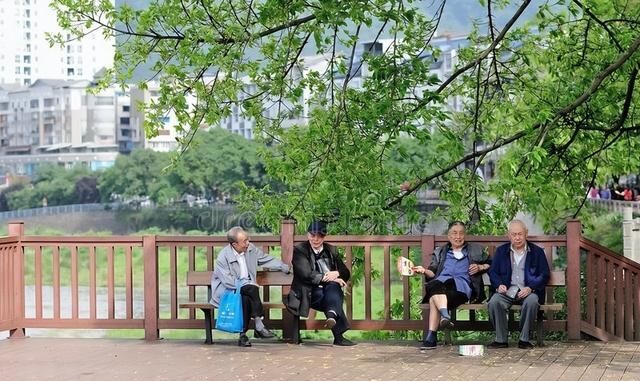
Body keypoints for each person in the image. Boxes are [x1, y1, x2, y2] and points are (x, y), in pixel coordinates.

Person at [412, 221, 490, 350]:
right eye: (454, 233)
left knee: (433, 297)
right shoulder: (441, 252)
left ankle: (431, 337)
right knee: (434, 285)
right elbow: (432, 272)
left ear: (465, 235)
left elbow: (491, 263)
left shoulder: (475, 250)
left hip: (461, 287)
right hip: (441, 284)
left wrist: (480, 266)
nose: (458, 236)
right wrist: (424, 271)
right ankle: (445, 315)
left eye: (461, 233)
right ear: (448, 236)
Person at [210, 226, 290, 347]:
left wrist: (282, 266)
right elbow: (227, 281)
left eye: (248, 239)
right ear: (234, 244)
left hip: (247, 290)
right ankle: (258, 325)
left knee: (247, 295)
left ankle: (243, 336)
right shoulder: (223, 257)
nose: (248, 243)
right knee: (250, 289)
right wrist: (245, 283)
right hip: (227, 291)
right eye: (244, 241)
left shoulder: (250, 249)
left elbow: (265, 259)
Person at [288, 220, 356, 346]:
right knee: (333, 295)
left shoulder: (331, 250)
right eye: (312, 235)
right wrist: (328, 276)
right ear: (308, 235)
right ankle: (336, 328)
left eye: (319, 236)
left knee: (333, 288)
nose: (315, 239)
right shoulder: (300, 250)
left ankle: (331, 316)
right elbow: (306, 274)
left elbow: (345, 272)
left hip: (327, 291)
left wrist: (336, 274)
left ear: (324, 237)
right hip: (307, 292)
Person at [487, 219, 550, 349]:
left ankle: (524, 339)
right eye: (514, 234)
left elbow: (544, 274)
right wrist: (499, 285)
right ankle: (501, 340)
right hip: (507, 291)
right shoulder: (501, 251)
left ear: (526, 233)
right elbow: (493, 272)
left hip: (528, 292)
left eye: (520, 234)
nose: (517, 238)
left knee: (532, 301)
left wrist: (531, 287)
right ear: (509, 235)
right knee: (494, 302)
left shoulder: (537, 252)